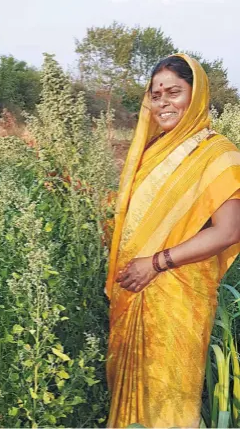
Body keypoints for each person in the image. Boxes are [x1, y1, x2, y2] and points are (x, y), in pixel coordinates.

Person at [105, 53, 240, 428]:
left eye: (174, 92)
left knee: (168, 402)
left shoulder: (219, 154)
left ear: (197, 96)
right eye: (156, 94)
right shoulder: (152, 152)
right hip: (134, 291)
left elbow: (229, 231)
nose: (163, 102)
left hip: (178, 294)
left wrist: (155, 263)